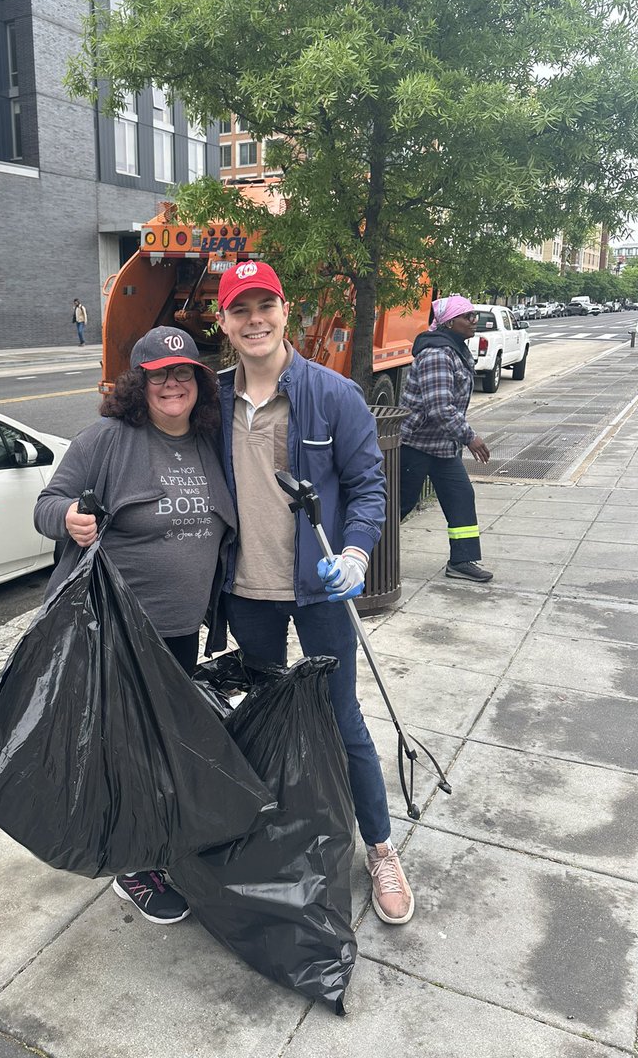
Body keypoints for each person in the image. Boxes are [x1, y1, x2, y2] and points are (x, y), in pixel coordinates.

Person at [215, 260, 414, 926]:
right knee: (270, 716)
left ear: (285, 310)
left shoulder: (333, 395)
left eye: (264, 306)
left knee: (339, 717)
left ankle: (380, 846)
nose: (255, 320)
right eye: (240, 310)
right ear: (224, 323)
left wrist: (356, 555)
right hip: (249, 594)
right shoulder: (212, 400)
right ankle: (283, 834)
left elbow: (367, 487)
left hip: (320, 589)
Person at [33, 326, 235, 926]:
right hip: (117, 629)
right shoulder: (108, 439)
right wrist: (69, 518)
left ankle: (161, 838)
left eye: (183, 373)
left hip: (179, 632)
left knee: (166, 742)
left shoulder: (208, 440)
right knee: (127, 748)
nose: (172, 383)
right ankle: (132, 862)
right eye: (158, 375)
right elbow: (48, 503)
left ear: (199, 381)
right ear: (139, 383)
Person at [398, 295, 492, 583]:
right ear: (450, 322)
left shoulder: (455, 350)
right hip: (416, 444)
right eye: (468, 316)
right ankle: (365, 555)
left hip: (442, 446)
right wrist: (470, 437)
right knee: (400, 503)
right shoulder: (438, 354)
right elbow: (439, 408)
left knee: (461, 496)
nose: (474, 321)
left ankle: (462, 560)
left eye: (474, 315)